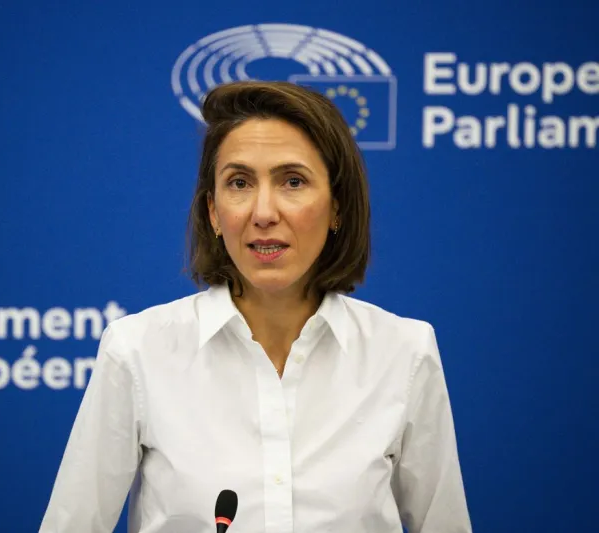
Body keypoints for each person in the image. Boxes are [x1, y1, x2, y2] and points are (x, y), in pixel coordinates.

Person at [38, 80, 472, 532]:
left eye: (293, 181)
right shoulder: (137, 351)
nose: (263, 212)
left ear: (337, 207)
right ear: (213, 211)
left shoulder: (404, 352)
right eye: (240, 183)